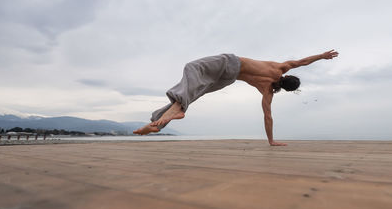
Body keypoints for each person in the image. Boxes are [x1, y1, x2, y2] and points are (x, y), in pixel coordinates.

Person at [133, 50, 339, 146]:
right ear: (285, 88)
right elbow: (268, 116)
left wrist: (322, 56)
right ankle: (158, 122)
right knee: (193, 92)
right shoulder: (267, 90)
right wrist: (271, 141)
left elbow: (301, 61)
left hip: (230, 65)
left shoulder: (279, 68)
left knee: (192, 68)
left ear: (288, 76)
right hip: (228, 79)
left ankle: (176, 111)